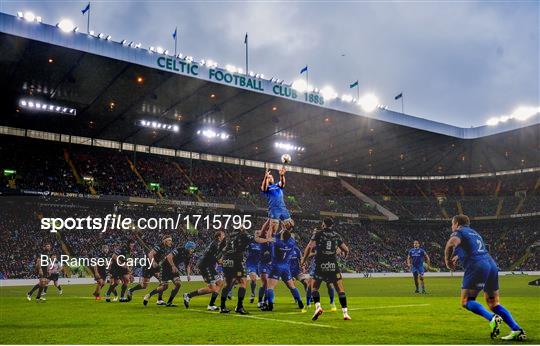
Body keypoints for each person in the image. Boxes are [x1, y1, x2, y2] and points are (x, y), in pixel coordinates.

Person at [444, 214, 526, 341]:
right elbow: (472, 248)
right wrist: (457, 256)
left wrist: (447, 261)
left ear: (456, 224)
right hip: (491, 265)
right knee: (493, 303)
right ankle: (517, 330)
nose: (451, 227)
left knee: (466, 301)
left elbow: (451, 244)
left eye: (452, 224)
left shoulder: (458, 232)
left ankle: (491, 318)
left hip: (477, 266)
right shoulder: (474, 233)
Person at [301, 218, 351, 321]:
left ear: (323, 224)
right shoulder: (337, 235)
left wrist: (303, 260)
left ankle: (318, 307)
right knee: (340, 290)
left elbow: (309, 247)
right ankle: (345, 313)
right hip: (333, 266)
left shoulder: (318, 234)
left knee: (314, 288)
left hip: (320, 265)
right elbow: (346, 249)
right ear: (332, 225)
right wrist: (345, 256)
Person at [258, 228, 304, 312]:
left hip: (276, 266)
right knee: (292, 286)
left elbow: (271, 236)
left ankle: (270, 305)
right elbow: (287, 236)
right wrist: (285, 230)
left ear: (282, 236)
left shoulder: (277, 242)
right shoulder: (292, 242)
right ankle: (300, 302)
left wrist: (273, 227)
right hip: (286, 267)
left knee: (270, 287)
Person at [183, 230, 226, 311]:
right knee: (212, 288)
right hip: (205, 266)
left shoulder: (215, 244)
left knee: (220, 283)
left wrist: (219, 260)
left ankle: (210, 304)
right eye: (223, 235)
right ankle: (189, 296)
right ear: (219, 237)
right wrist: (220, 261)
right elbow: (213, 257)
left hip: (209, 265)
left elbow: (212, 256)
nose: (224, 236)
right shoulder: (215, 245)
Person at [144, 241, 194, 307]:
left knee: (178, 284)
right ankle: (149, 295)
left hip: (174, 269)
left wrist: (188, 275)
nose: (193, 250)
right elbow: (169, 257)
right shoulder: (179, 250)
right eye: (192, 248)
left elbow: (187, 265)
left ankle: (169, 302)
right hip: (165, 268)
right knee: (164, 287)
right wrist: (173, 266)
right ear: (188, 248)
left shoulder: (188, 255)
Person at [219, 227, 254, 314]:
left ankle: (222, 306)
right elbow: (252, 239)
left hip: (227, 260)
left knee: (228, 283)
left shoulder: (229, 237)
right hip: (236, 259)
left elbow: (222, 249)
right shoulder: (242, 235)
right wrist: (245, 231)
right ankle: (239, 306)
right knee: (243, 282)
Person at [127, 235, 173, 302]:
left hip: (156, 268)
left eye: (171, 240)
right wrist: (153, 262)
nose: (170, 242)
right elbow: (150, 254)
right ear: (165, 241)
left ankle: (159, 299)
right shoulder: (159, 246)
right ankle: (131, 290)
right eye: (169, 240)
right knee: (144, 286)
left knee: (163, 283)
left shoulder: (167, 248)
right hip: (148, 266)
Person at [261, 167, 294, 240]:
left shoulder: (277, 186)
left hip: (283, 208)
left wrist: (282, 175)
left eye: (271, 177)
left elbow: (282, 183)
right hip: (274, 209)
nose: (270, 178)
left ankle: (282, 239)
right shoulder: (268, 188)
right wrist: (265, 178)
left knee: (290, 226)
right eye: (269, 177)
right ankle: (270, 244)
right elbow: (263, 187)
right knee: (273, 229)